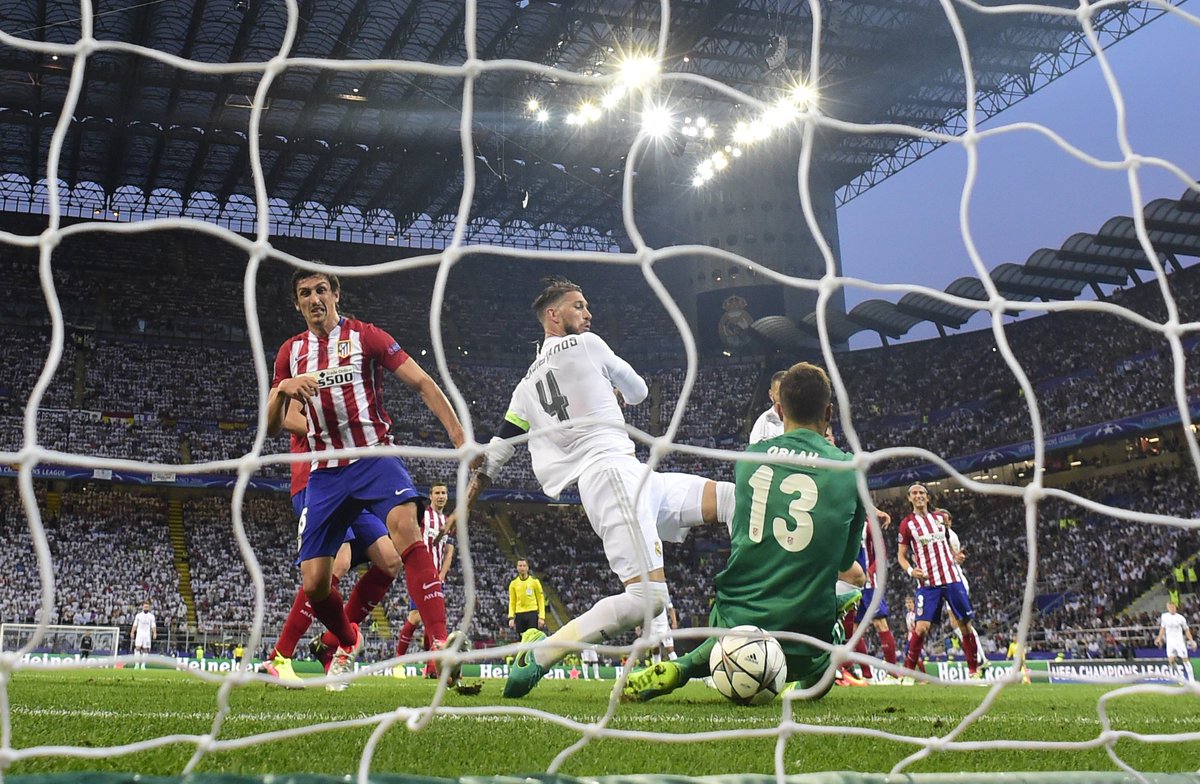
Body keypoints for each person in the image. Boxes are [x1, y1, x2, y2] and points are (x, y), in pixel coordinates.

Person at [467, 276, 736, 698]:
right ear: (553, 315)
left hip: (633, 474)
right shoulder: (589, 345)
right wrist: (614, 389)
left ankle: (747, 610)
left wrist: (466, 501)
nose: (588, 313)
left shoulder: (524, 389)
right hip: (610, 475)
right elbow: (639, 391)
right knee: (648, 599)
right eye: (578, 306)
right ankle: (540, 655)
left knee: (732, 498)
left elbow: (498, 451)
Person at [267, 270, 466, 687]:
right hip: (324, 473)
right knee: (316, 584)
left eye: (322, 290)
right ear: (297, 303)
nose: (314, 298)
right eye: (305, 293)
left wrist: (458, 434)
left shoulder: (366, 336)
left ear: (336, 294)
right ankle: (345, 637)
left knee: (405, 530)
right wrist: (284, 388)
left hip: (374, 456)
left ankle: (441, 644)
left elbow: (422, 382)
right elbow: (271, 426)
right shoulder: (291, 352)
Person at [624, 362, 866, 702]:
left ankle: (686, 665)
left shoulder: (750, 458)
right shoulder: (849, 470)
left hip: (732, 623)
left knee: (738, 615)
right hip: (804, 638)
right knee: (832, 633)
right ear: (829, 412)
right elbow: (844, 560)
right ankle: (810, 666)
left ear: (780, 410)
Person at [263, 400, 403, 689]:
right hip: (315, 481)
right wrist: (337, 433)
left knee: (390, 560)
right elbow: (287, 418)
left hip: (352, 480)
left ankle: (330, 642)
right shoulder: (302, 373)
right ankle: (280, 657)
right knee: (337, 561)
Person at [896, 484, 981, 678]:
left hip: (952, 579)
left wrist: (955, 557)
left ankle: (974, 670)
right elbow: (901, 556)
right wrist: (911, 570)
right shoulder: (907, 524)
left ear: (927, 497)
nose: (918, 496)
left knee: (964, 623)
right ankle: (908, 673)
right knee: (921, 628)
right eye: (914, 493)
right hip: (928, 584)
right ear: (909, 498)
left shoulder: (940, 518)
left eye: (922, 493)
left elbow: (947, 544)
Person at [395, 482, 457, 677]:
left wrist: (442, 575)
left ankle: (431, 668)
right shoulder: (423, 516)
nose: (441, 496)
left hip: (437, 577)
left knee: (434, 621)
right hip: (421, 573)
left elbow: (449, 552)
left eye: (444, 493)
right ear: (430, 496)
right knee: (416, 616)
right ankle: (398, 662)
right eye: (437, 492)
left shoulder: (447, 522)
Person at [940, 508, 988, 672]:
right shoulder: (941, 535)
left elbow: (951, 558)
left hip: (956, 581)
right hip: (949, 581)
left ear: (950, 522)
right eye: (940, 520)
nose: (942, 523)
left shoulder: (950, 536)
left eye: (945, 520)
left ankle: (980, 658)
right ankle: (979, 657)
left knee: (963, 624)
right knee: (956, 624)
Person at [507, 559, 545, 637]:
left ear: (527, 567)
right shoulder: (513, 584)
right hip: (519, 614)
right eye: (520, 566)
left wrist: (542, 617)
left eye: (524, 566)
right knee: (522, 640)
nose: (522, 568)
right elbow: (512, 601)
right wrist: (511, 617)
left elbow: (540, 599)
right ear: (517, 568)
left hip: (532, 613)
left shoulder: (535, 582)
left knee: (532, 639)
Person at [748, 370, 786, 444]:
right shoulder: (763, 425)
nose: (785, 397)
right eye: (779, 394)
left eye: (789, 392)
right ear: (771, 395)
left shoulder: (805, 418)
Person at [1155, 600, 1196, 669]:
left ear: (1175, 607)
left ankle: (1190, 676)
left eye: (1173, 607)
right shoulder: (1164, 616)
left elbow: (1186, 630)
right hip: (1170, 642)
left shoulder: (1180, 618)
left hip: (1179, 641)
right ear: (1168, 608)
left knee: (1185, 659)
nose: (1171, 609)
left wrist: (1191, 641)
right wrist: (1159, 638)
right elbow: (1162, 628)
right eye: (1170, 607)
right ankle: (1177, 673)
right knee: (1171, 661)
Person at [131, 601, 156, 669]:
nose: (146, 608)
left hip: (147, 635)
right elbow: (135, 624)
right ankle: (136, 664)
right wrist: (132, 632)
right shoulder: (138, 615)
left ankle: (143, 665)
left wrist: (154, 633)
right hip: (139, 634)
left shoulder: (151, 616)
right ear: (142, 607)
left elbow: (153, 625)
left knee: (146, 649)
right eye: (145, 607)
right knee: (137, 648)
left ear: (149, 607)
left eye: (147, 607)